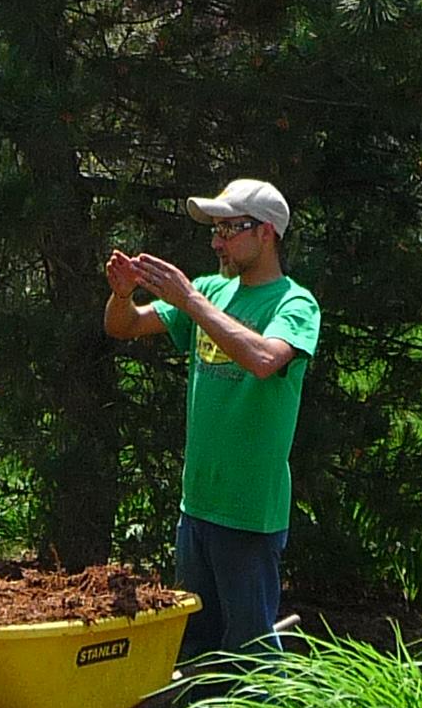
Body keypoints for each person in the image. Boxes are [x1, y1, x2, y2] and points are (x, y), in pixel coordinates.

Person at [102, 177, 320, 663]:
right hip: (197, 505)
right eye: (214, 231)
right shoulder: (209, 291)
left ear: (266, 233)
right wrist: (122, 295)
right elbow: (124, 326)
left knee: (249, 654)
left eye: (228, 230)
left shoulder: (294, 303)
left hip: (249, 512)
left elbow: (264, 360)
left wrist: (191, 302)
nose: (217, 243)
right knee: (196, 650)